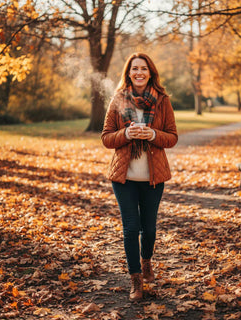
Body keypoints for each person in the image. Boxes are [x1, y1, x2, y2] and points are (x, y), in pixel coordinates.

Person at [101, 53, 178, 301]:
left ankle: (146, 261)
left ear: (150, 72)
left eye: (143, 68)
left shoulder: (162, 100)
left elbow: (172, 137)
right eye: (135, 68)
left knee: (150, 229)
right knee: (130, 228)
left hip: (153, 178)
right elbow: (106, 137)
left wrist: (153, 135)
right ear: (129, 72)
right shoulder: (117, 99)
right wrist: (126, 134)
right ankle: (135, 279)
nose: (139, 72)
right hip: (123, 178)